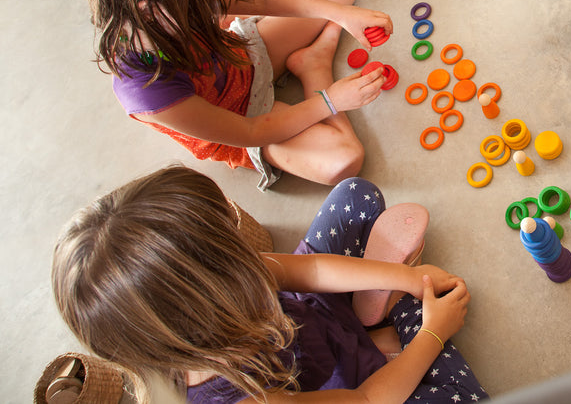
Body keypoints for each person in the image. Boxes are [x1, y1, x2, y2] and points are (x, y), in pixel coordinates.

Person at [51, 165, 489, 403]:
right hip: (337, 387)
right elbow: (368, 399)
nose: (240, 230)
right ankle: (386, 337)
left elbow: (311, 271)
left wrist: (408, 277)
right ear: (212, 293)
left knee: (356, 195)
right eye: (228, 242)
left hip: (306, 320)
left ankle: (371, 327)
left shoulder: (204, 292)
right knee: (458, 395)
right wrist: (432, 333)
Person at [84, 0, 391, 190]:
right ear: (148, 10)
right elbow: (251, 132)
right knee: (344, 161)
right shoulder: (146, 88)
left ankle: (311, 58)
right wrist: (330, 99)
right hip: (245, 118)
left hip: (244, 57)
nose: (215, 0)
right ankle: (315, 67)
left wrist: (343, 15)